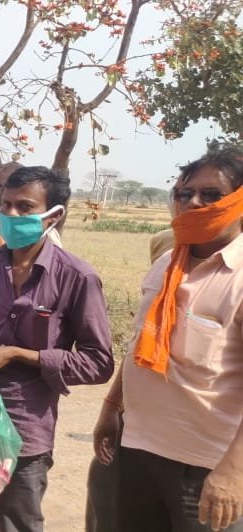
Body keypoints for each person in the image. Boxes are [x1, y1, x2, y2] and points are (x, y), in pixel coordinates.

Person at [0, 165, 114, 532]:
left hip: (25, 430)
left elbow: (99, 362)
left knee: (18, 523)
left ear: (54, 216)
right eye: (6, 205)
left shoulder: (76, 277)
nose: (11, 214)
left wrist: (23, 355)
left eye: (25, 207)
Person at [93, 149, 243, 532]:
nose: (193, 202)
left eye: (211, 194)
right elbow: (142, 345)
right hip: (139, 450)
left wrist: (233, 472)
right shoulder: (166, 264)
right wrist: (112, 406)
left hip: (207, 465)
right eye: (184, 193)